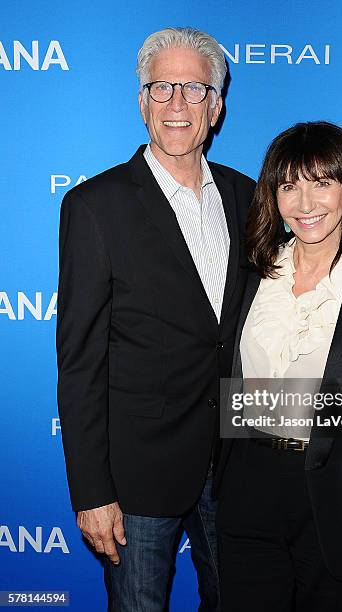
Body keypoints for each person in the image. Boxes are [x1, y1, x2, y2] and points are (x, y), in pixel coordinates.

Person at [56, 27, 255, 611]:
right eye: (161, 88)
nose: (176, 104)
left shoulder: (251, 198)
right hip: (137, 479)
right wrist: (92, 492)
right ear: (141, 101)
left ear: (215, 107)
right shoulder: (96, 206)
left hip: (236, 467)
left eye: (193, 89)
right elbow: (80, 361)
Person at [214, 121, 342, 611]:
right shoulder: (249, 274)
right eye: (289, 186)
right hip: (247, 491)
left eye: (322, 182)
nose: (305, 204)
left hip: (339, 501)